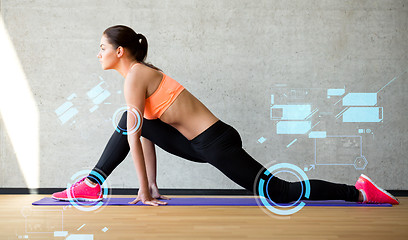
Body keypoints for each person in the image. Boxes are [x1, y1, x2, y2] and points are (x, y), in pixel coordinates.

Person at [52, 25, 399, 206]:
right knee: (131, 122)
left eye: (101, 48)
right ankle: (93, 185)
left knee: (279, 191)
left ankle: (358, 192)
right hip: (198, 144)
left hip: (216, 143)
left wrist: (142, 190)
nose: (98, 54)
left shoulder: (136, 75)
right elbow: (142, 132)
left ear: (120, 51)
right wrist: (154, 187)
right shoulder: (136, 78)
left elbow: (133, 133)